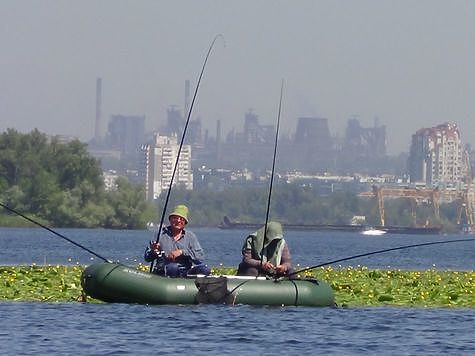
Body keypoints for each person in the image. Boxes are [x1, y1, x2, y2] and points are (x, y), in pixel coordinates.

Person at [144, 204, 210, 277]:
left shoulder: (190, 236)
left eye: (181, 219)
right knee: (173, 267)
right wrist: (154, 251)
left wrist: (182, 252)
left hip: (185, 271)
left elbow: (200, 258)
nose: (178, 221)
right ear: (170, 220)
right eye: (175, 218)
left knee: (204, 269)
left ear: (185, 222)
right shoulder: (159, 234)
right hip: (165, 270)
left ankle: (194, 286)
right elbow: (147, 258)